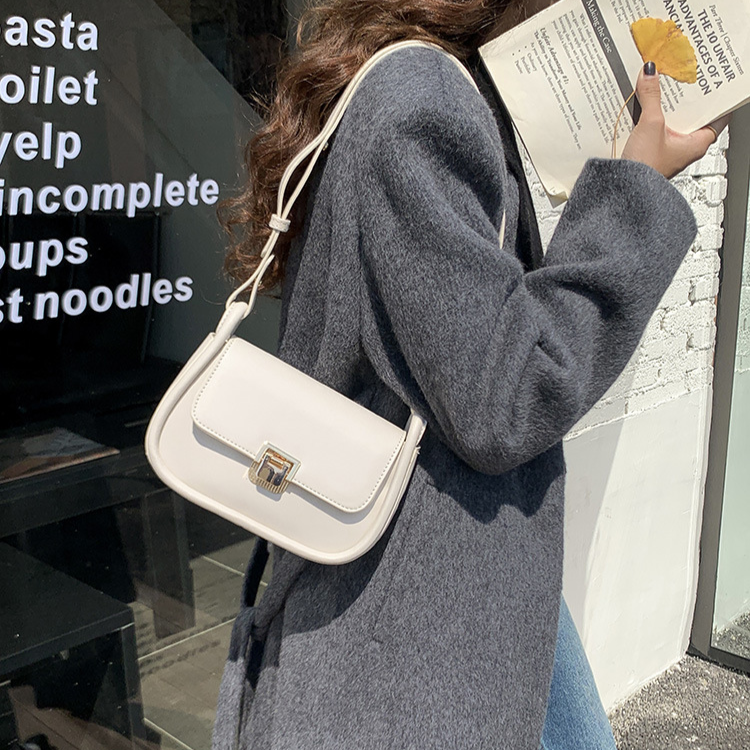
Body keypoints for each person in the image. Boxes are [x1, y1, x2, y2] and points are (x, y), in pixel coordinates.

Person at [212, 1, 727, 748]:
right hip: (418, 597)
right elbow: (506, 397)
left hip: (465, 560)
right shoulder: (421, 99)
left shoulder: (422, 82)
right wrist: (634, 193)